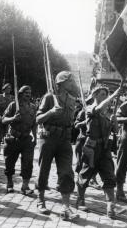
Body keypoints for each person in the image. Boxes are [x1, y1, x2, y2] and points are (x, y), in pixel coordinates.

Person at [36, 71, 80, 220]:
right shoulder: (49, 97)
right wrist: (51, 112)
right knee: (44, 169)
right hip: (48, 138)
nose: (72, 83)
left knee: (67, 172)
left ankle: (66, 207)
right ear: (60, 83)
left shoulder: (72, 99)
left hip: (65, 140)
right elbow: (38, 119)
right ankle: (40, 199)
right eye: (69, 81)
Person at [76, 85, 121, 218]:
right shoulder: (89, 109)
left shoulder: (108, 113)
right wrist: (114, 95)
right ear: (94, 95)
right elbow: (99, 108)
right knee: (85, 174)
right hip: (92, 147)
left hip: (105, 148)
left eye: (106, 95)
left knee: (109, 176)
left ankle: (110, 206)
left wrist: (115, 121)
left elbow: (116, 131)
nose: (105, 97)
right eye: (102, 94)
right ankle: (80, 199)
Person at [2, 85, 37, 194]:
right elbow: (3, 120)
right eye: (26, 92)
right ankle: (9, 183)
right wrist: (13, 118)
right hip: (13, 139)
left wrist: (35, 137)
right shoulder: (13, 105)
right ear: (21, 94)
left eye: (30, 93)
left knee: (28, 163)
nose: (28, 94)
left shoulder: (33, 107)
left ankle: (25, 186)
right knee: (10, 162)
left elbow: (34, 124)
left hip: (26, 139)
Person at [0, 83, 14, 155]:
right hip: (1, 118)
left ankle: (7, 149)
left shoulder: (12, 97)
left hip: (9, 118)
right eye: (7, 88)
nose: (9, 89)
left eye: (10, 88)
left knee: (9, 134)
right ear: (4, 89)